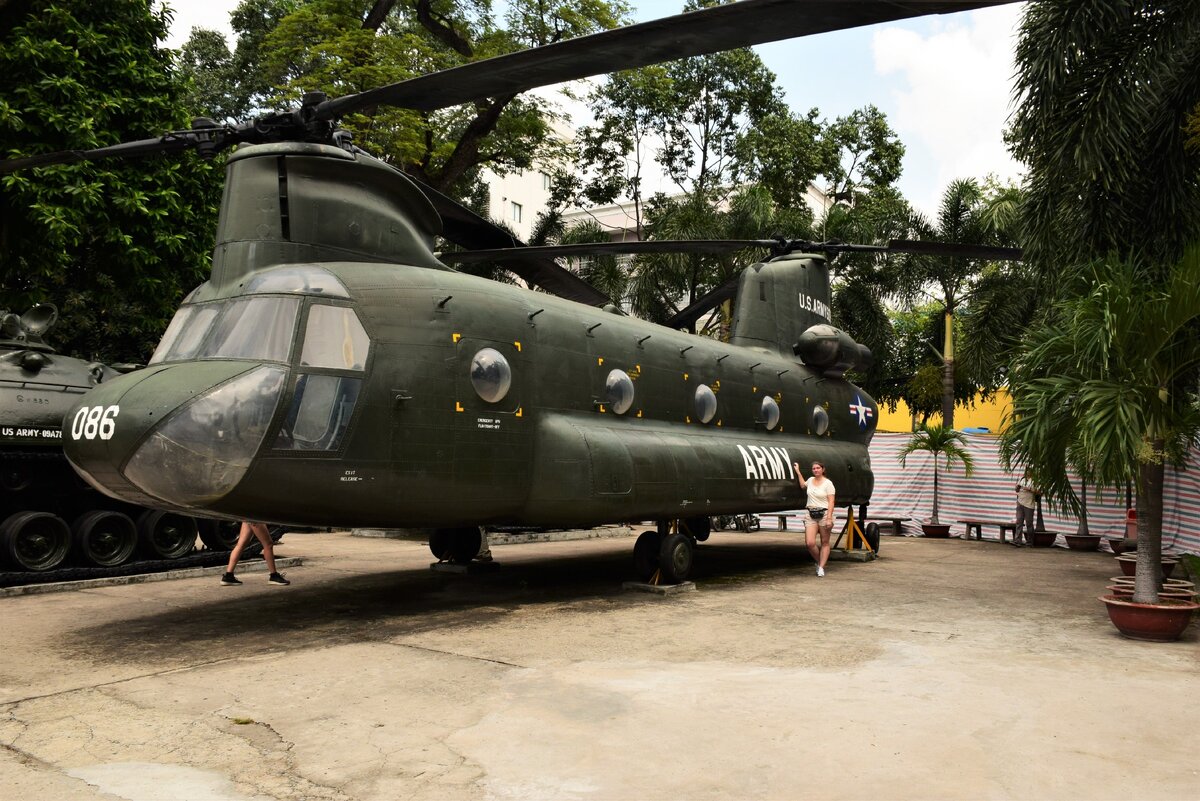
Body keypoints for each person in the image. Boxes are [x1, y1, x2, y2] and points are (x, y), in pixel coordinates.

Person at [794, 461, 835, 577]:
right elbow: (802, 485)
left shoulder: (828, 483)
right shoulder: (810, 480)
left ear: (823, 469)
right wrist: (798, 471)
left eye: (818, 468)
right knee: (810, 543)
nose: (816, 470)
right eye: (814, 469)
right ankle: (820, 562)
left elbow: (831, 501)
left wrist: (829, 518)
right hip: (811, 513)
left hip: (824, 514)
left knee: (825, 542)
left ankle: (821, 567)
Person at [221, 521, 290, 585]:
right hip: (254, 517)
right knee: (268, 544)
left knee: (241, 545)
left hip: (248, 516)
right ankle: (274, 576)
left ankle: (228, 576)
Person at [1013, 474, 1037, 547]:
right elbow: (1016, 490)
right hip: (1020, 502)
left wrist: (1029, 489)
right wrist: (1017, 487)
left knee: (1029, 523)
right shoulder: (1022, 479)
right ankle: (1018, 541)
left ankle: (1030, 542)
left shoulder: (1035, 480)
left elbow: (1039, 492)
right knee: (1019, 522)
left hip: (1029, 504)